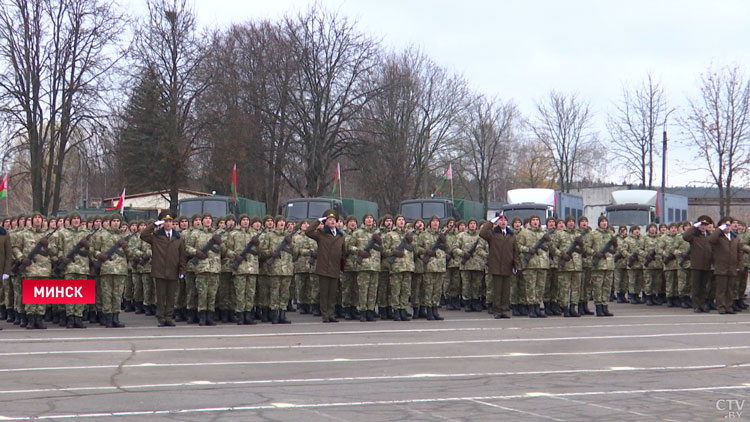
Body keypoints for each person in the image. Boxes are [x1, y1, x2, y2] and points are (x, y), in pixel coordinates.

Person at [140, 210, 186, 327]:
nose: (168, 224)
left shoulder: (178, 238)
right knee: (160, 297)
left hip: (173, 271)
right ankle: (161, 318)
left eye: (170, 221)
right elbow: (143, 235)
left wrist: (181, 270)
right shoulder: (156, 236)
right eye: (165, 221)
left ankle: (169, 317)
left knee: (171, 297)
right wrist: (155, 224)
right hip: (160, 271)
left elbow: (182, 256)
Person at [306, 210, 346, 323]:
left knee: (333, 293)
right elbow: (308, 232)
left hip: (335, 267)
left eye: (334, 220)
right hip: (323, 267)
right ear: (325, 222)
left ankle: (331, 313)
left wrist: (343, 265)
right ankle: (325, 314)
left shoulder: (341, 236)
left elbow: (343, 252)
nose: (332, 221)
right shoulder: (321, 234)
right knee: (324, 293)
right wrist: (319, 221)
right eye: (329, 220)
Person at [479, 214, 519, 319]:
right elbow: (482, 233)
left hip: (507, 266)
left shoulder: (511, 235)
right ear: (497, 222)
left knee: (506, 291)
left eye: (505, 220)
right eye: (501, 220)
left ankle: (504, 310)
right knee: (497, 290)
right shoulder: (493, 234)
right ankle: (496, 310)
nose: (503, 222)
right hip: (496, 266)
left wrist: (516, 265)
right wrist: (491, 222)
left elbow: (515, 251)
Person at [709, 217, 743, 314]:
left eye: (729, 225)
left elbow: (739, 252)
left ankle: (729, 306)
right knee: (721, 289)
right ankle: (721, 307)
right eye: (726, 225)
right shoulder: (718, 237)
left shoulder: (735, 237)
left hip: (732, 267)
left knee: (730, 289)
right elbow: (711, 240)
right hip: (721, 267)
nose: (728, 227)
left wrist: (739, 266)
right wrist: (719, 229)